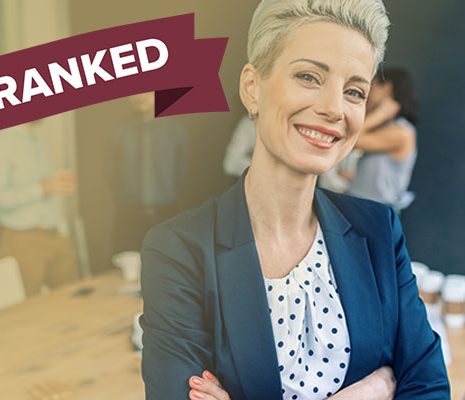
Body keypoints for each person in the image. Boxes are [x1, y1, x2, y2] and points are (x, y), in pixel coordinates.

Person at [140, 1, 449, 399]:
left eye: (354, 91)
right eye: (308, 76)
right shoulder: (178, 250)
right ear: (252, 87)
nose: (334, 108)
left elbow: (430, 387)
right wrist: (371, 390)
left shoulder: (379, 230)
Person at [0, 122, 78, 295]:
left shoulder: (38, 141)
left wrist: (55, 186)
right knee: (29, 310)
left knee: (72, 299)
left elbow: (45, 188)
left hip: (55, 234)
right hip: (23, 239)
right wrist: (41, 188)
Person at [107, 92, 187, 253]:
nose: (140, 96)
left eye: (147, 90)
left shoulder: (175, 131)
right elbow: (110, 173)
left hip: (166, 215)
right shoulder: (118, 133)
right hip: (129, 216)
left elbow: (182, 172)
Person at [348, 68, 418, 211]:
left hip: (375, 211)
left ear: (387, 88)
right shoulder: (384, 128)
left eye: (373, 86)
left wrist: (380, 114)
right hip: (360, 205)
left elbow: (352, 141)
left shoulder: (402, 132)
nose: (368, 94)